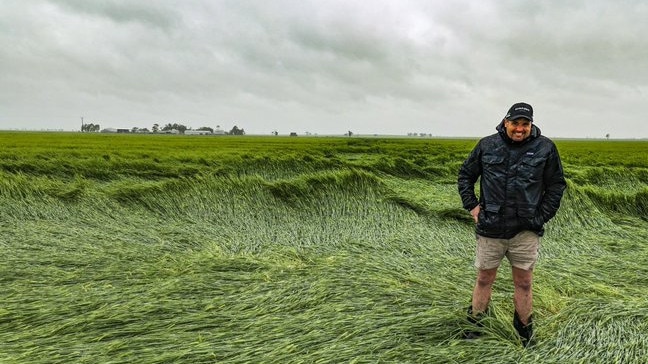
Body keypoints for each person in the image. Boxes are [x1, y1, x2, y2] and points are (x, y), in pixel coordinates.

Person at [457, 102, 566, 346]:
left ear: (531, 125)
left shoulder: (545, 147)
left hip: (525, 230)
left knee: (524, 282)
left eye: (525, 124)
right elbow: (465, 175)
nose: (519, 128)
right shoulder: (487, 145)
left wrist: (540, 216)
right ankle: (475, 325)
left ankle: (524, 331)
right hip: (491, 227)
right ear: (505, 122)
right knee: (484, 278)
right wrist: (472, 206)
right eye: (515, 123)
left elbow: (556, 185)